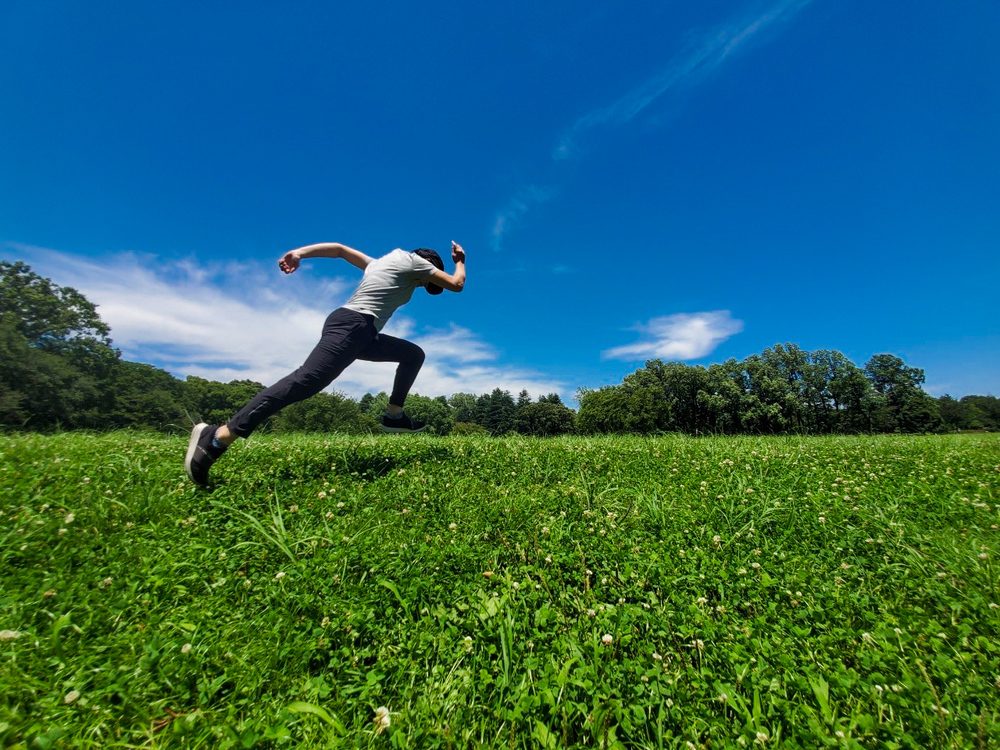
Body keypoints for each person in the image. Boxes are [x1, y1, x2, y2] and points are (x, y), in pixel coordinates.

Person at [184, 240, 466, 486]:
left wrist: (300, 253)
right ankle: (217, 437)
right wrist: (460, 261)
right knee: (305, 381)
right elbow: (456, 284)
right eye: (424, 282)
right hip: (354, 327)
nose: (421, 284)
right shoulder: (415, 261)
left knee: (413, 354)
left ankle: (394, 415)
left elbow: (340, 250)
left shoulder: (380, 263)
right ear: (429, 264)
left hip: (361, 331)